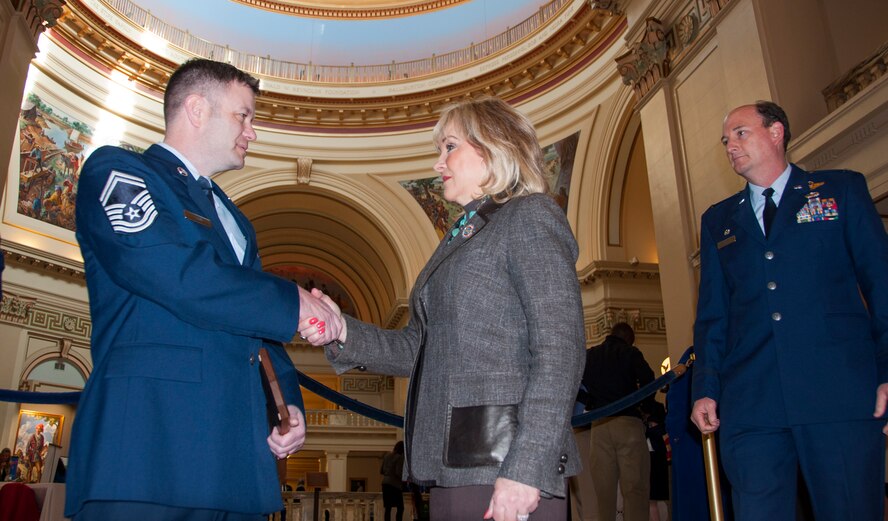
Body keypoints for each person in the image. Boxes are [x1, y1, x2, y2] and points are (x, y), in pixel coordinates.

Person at [66, 58, 341, 521]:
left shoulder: (235, 219)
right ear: (196, 108)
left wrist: (286, 402)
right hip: (149, 449)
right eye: (243, 115)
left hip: (234, 463)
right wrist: (292, 299)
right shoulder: (119, 171)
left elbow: (255, 329)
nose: (252, 131)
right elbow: (173, 271)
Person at [300, 97, 586, 521]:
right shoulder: (460, 236)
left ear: (493, 147)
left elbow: (560, 349)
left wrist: (527, 467)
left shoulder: (530, 216)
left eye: (449, 146)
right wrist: (343, 330)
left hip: (505, 463)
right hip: (452, 462)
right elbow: (420, 347)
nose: (439, 163)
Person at [691, 101, 888, 520]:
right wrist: (706, 386)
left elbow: (882, 284)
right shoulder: (719, 221)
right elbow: (713, 313)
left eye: (741, 133)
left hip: (837, 394)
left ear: (776, 132)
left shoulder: (841, 191)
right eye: (726, 140)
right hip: (752, 402)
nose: (731, 146)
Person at [581, 322, 655, 521]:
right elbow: (649, 381)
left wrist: (590, 401)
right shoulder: (630, 353)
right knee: (635, 489)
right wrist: (647, 408)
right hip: (628, 422)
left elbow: (575, 385)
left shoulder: (591, 355)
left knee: (603, 492)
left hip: (599, 425)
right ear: (629, 339)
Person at [381, 441, 405, 521]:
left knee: (388, 508)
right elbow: (398, 472)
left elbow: (381, 470)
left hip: (385, 484)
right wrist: (405, 478)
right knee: (400, 507)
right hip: (394, 485)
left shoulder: (386, 455)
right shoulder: (399, 457)